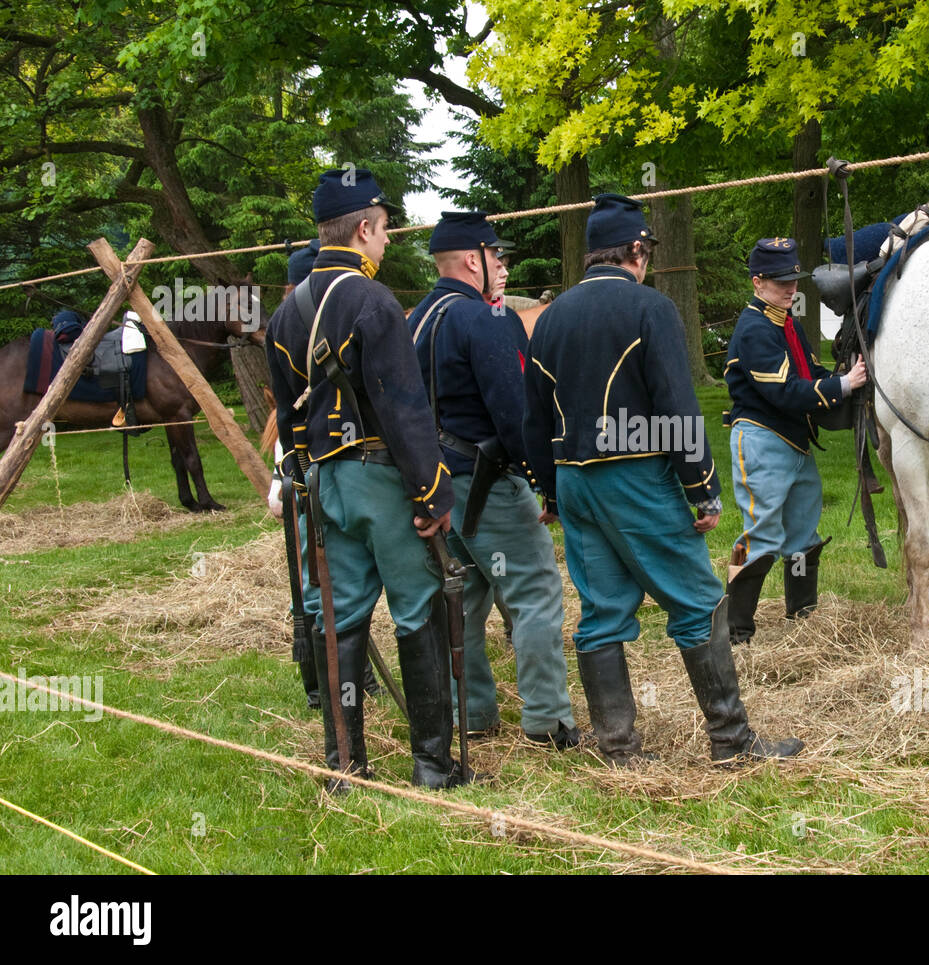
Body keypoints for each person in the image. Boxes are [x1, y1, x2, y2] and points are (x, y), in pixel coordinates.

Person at [522, 193, 802, 766]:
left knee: (601, 611)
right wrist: (701, 485)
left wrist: (548, 488)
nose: (647, 259)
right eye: (645, 250)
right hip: (633, 477)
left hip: (575, 483)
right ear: (633, 251)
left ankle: (618, 751)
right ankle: (731, 741)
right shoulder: (651, 308)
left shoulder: (550, 318)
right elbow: (677, 405)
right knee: (699, 601)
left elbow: (534, 415)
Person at [265, 168, 465, 789]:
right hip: (383, 481)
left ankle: (344, 764)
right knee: (418, 610)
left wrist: (305, 471)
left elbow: (286, 411)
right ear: (362, 229)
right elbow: (405, 408)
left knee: (339, 619)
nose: (386, 241)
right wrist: (433, 492)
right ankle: (432, 764)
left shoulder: (286, 311)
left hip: (326, 485)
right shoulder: (373, 300)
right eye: (382, 230)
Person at [408, 211, 579, 749]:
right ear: (470, 260)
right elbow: (516, 414)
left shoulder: (418, 318)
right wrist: (545, 480)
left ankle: (473, 714)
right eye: (495, 255)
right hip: (490, 484)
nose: (502, 264)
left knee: (469, 599)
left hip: (440, 487)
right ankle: (547, 721)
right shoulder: (481, 319)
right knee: (535, 594)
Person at [723, 238, 867, 644]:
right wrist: (842, 384)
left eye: (794, 279)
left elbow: (811, 371)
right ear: (757, 282)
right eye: (781, 281)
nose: (791, 288)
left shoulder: (785, 322)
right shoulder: (754, 328)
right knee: (762, 535)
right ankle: (735, 633)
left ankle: (802, 620)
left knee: (803, 535)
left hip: (795, 443)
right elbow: (786, 391)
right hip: (762, 441)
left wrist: (842, 374)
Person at [265, 238, 379, 712]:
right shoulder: (299, 324)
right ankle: (323, 688)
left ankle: (341, 682)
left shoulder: (298, 320)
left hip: (319, 465)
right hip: (311, 466)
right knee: (319, 585)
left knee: (328, 584)